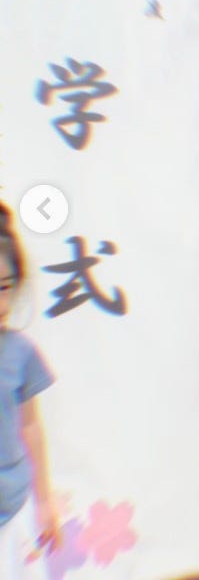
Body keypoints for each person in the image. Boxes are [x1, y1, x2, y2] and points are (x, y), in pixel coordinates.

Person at [0, 202, 61, 575]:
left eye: (4, 287)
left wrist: (44, 499)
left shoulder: (21, 353)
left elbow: (30, 426)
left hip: (13, 510)